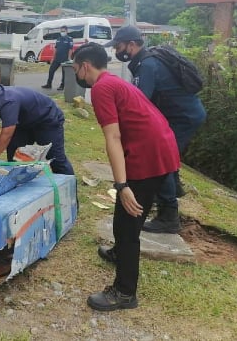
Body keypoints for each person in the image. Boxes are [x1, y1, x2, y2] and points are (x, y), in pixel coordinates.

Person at [72, 42, 179, 311]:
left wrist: (122, 185)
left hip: (149, 154)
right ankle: (120, 253)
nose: (77, 74)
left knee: (127, 224)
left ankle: (124, 292)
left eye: (76, 69)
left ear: (85, 66)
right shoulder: (114, 81)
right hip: (160, 146)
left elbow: (113, 137)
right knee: (129, 215)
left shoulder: (101, 88)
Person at [105, 26, 207, 233]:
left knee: (161, 161)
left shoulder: (148, 65)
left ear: (131, 45)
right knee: (167, 159)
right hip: (178, 115)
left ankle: (169, 215)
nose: (117, 50)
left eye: (119, 46)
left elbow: (139, 102)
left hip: (183, 118)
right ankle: (169, 194)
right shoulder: (147, 60)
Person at [42, 25, 73, 91]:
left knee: (64, 73)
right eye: (61, 31)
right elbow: (55, 49)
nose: (62, 32)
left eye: (63, 31)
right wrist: (53, 58)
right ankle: (49, 84)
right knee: (51, 70)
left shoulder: (69, 39)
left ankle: (62, 86)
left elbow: (70, 49)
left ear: (67, 31)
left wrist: (69, 58)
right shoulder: (58, 39)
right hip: (57, 58)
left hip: (65, 59)